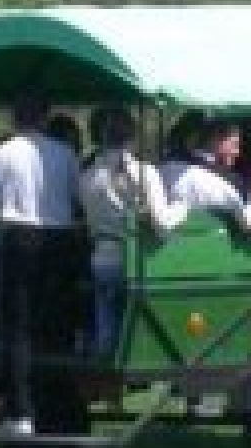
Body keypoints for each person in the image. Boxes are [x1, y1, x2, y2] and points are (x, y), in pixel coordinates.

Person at [0, 93, 83, 437]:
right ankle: (59, 396)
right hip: (58, 240)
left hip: (19, 238)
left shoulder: (2, 154)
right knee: (55, 321)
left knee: (17, 327)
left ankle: (22, 412)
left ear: (15, 119)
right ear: (45, 118)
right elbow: (78, 197)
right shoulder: (64, 153)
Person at [79, 105, 189, 358]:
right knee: (134, 326)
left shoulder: (87, 175)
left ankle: (105, 369)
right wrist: (182, 208)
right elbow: (161, 222)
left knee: (105, 320)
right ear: (132, 134)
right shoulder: (144, 173)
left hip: (101, 255)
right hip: (133, 257)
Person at [162, 116, 251, 233]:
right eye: (235, 145)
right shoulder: (224, 182)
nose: (237, 153)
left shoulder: (166, 169)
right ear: (217, 141)